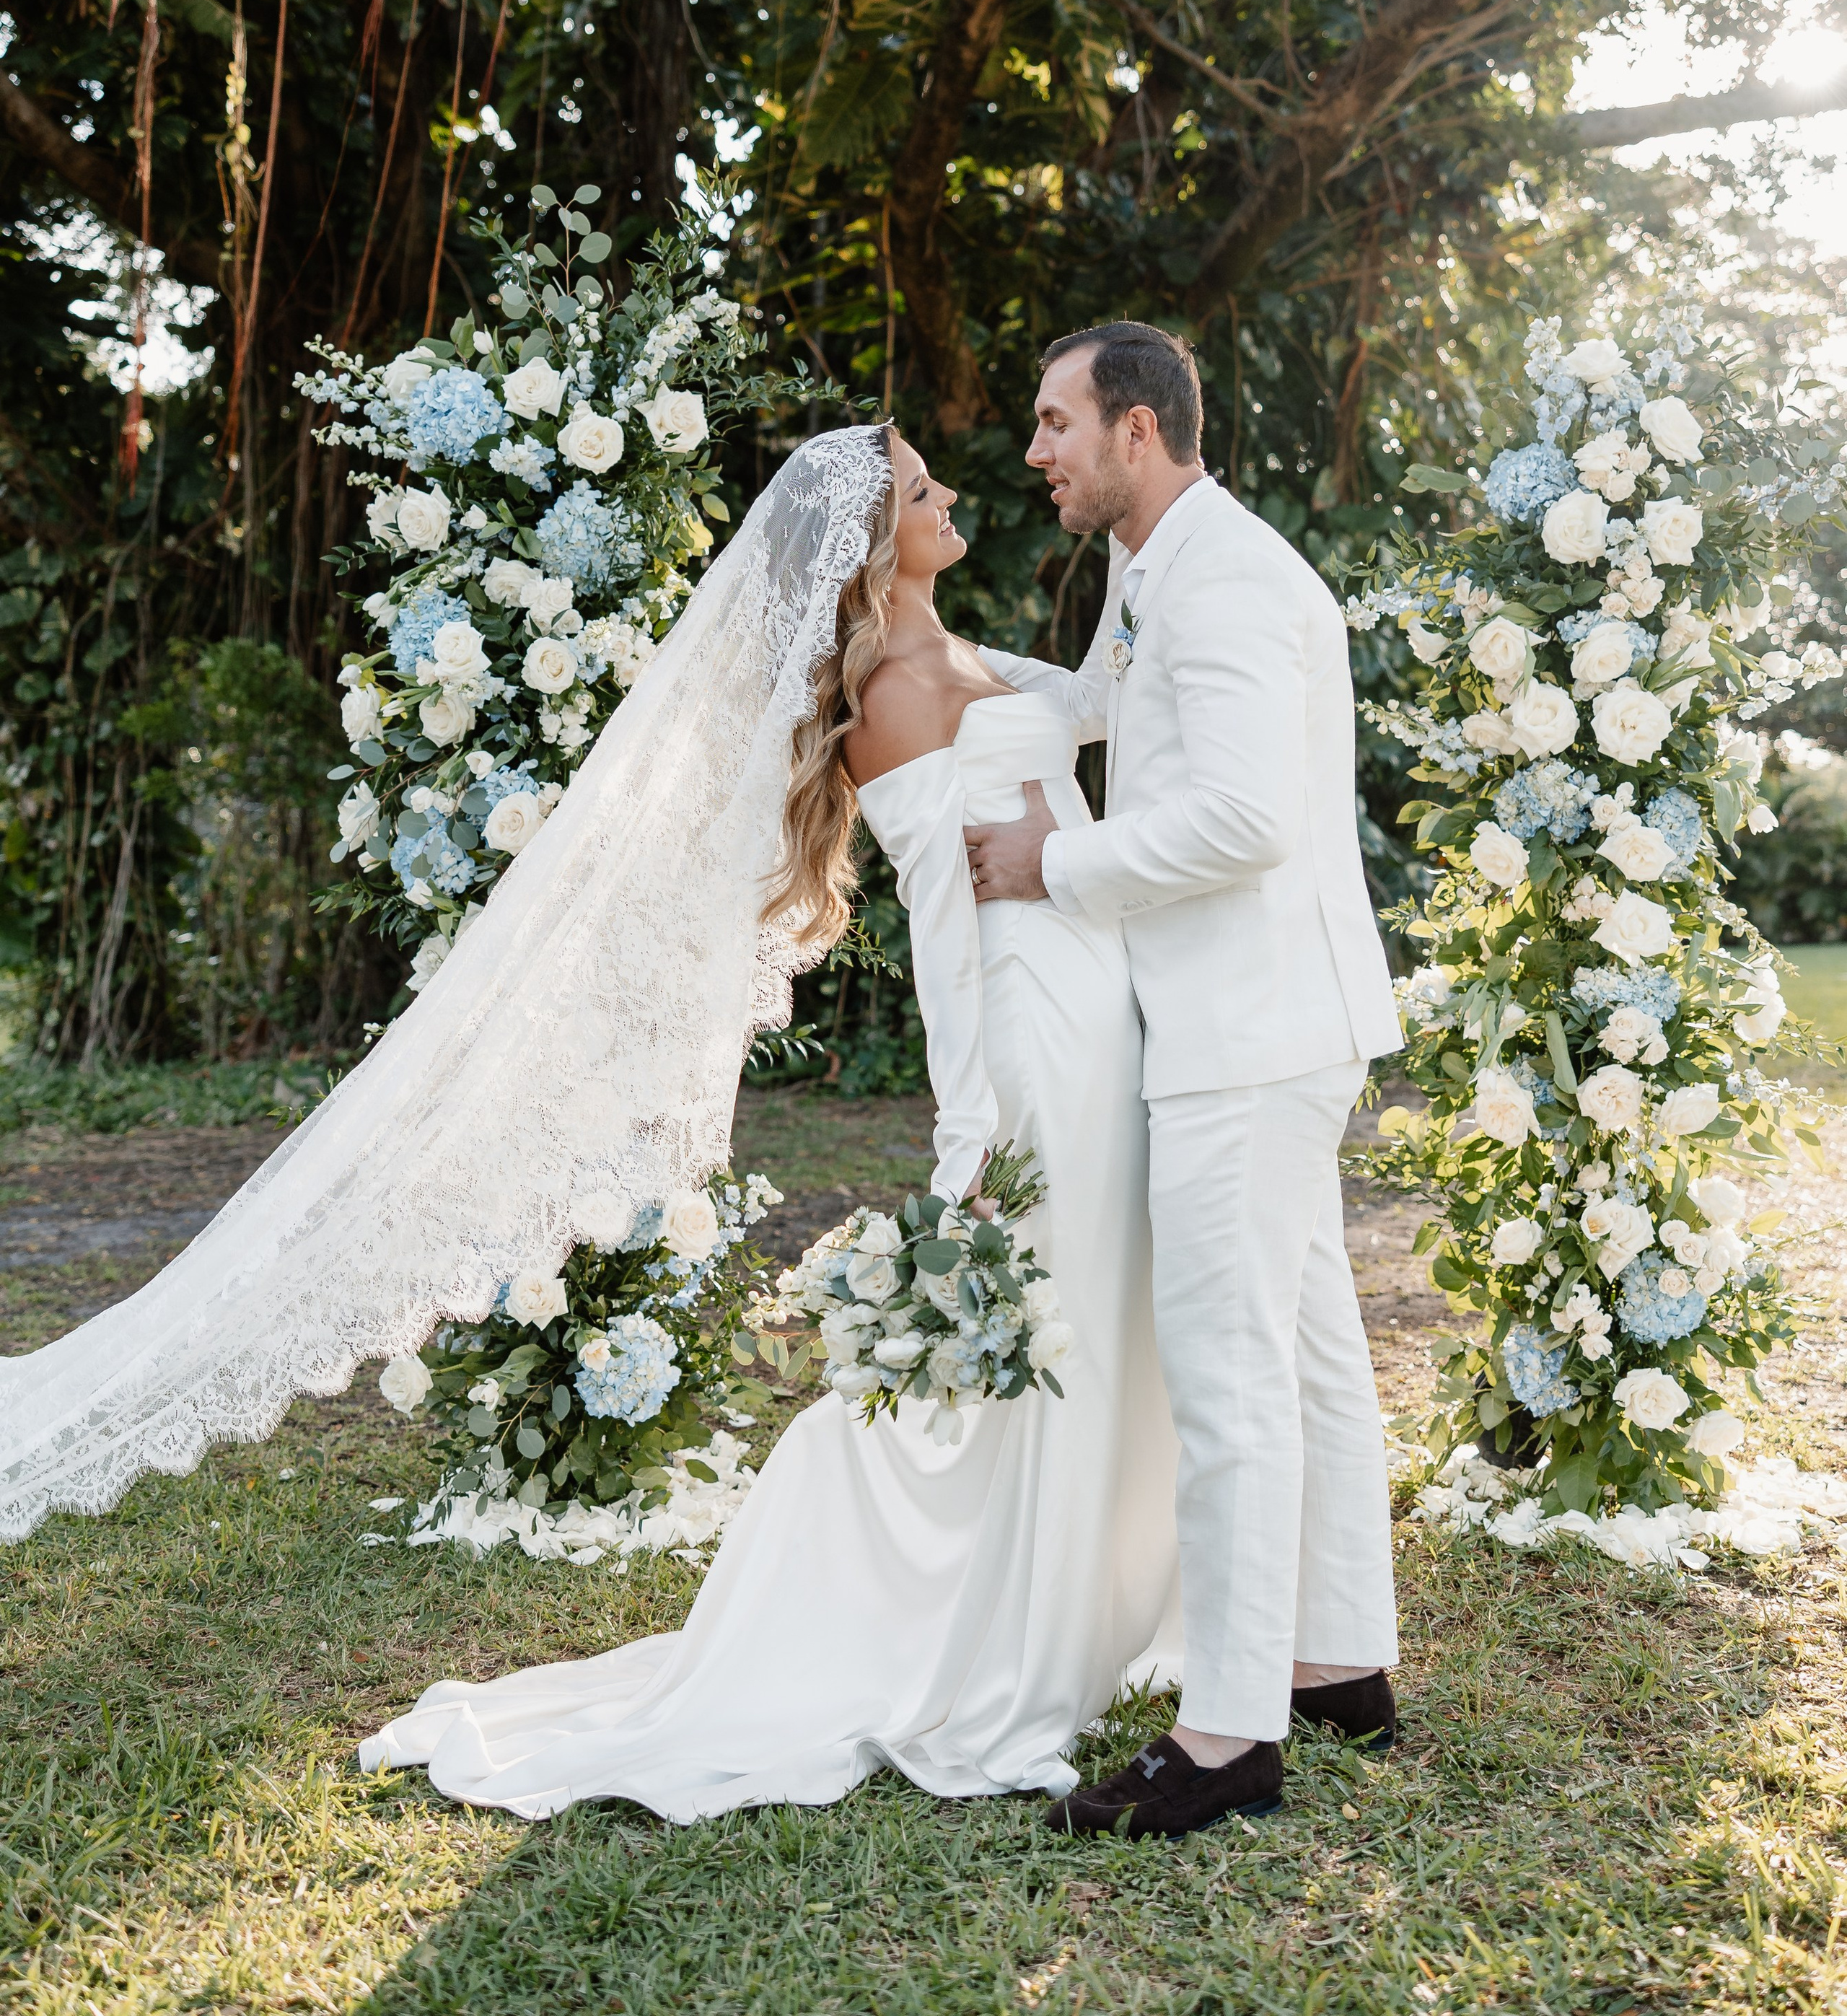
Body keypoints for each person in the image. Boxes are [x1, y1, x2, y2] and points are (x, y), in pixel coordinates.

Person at [356, 424, 1182, 1819]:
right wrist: (968, 1128)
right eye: (925, 493)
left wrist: (1140, 542)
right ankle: (977, 1627)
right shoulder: (897, 688)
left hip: (1104, 997)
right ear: (875, 544)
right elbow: (946, 924)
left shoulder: (961, 652)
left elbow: (1101, 699)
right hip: (1036, 1027)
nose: (955, 496)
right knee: (1057, 1314)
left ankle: (1097, 1601)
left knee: (1110, 1306)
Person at [965, 322, 1405, 1839]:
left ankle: (1224, 1736)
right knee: (1304, 1345)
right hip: (1271, 1018)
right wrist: (948, 667)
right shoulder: (1157, 563)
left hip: (1246, 1027)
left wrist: (1051, 861)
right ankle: (1337, 1656)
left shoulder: (1221, 579)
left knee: (1227, 1373)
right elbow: (1100, 703)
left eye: (1053, 422)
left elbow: (1237, 819)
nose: (1036, 451)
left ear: (1135, 429)